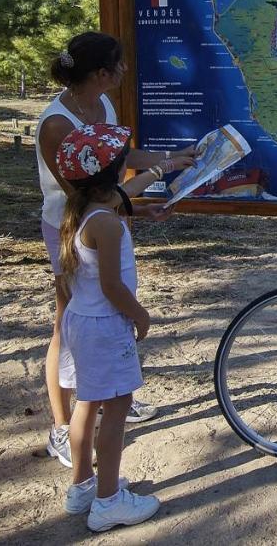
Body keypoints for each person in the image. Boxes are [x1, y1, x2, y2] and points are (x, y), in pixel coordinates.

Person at [36, 31, 196, 468]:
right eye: (120, 65)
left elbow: (117, 160)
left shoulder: (101, 102)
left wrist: (173, 157)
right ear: (101, 73)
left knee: (98, 318)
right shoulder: (56, 124)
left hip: (106, 217)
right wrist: (138, 204)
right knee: (68, 322)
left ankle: (105, 396)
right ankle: (62, 427)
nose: (126, 70)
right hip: (71, 226)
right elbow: (84, 194)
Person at [54, 123, 161, 531]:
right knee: (116, 410)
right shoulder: (109, 224)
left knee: (87, 403)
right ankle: (108, 502)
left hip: (81, 320)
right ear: (115, 174)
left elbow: (121, 201)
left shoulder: (81, 209)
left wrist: (147, 204)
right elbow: (113, 286)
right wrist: (140, 314)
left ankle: (83, 485)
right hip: (106, 324)